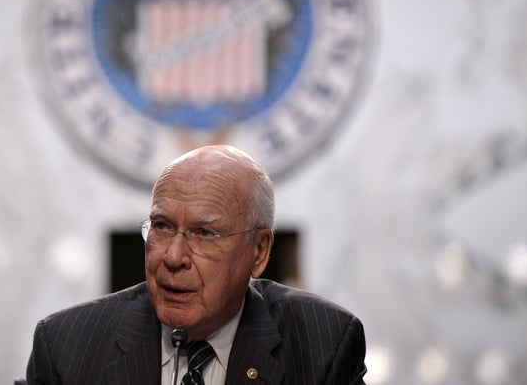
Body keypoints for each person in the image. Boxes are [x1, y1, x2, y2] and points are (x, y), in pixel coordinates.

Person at [26, 145, 366, 384]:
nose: (173, 258)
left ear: (259, 252)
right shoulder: (66, 347)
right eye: (162, 226)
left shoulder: (324, 344)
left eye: (205, 233)